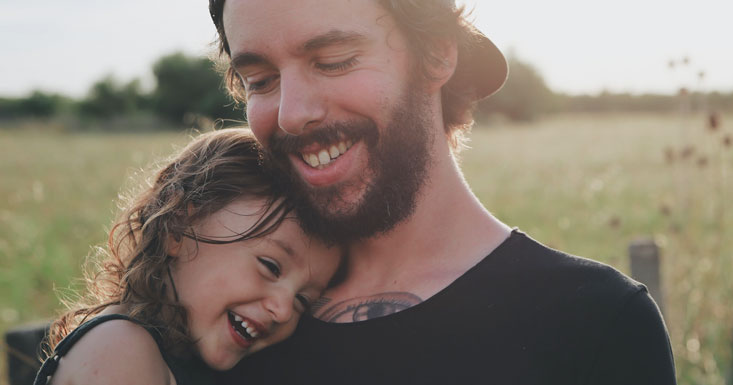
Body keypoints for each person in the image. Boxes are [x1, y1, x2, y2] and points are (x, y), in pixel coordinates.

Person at [209, 0, 678, 383]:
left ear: (436, 56)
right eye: (261, 81)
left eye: (333, 61)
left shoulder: (595, 323)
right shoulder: (230, 312)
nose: (292, 113)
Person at [35, 129, 342, 385]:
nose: (284, 310)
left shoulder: (185, 360)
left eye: (303, 300)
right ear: (178, 228)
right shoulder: (119, 348)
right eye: (270, 267)